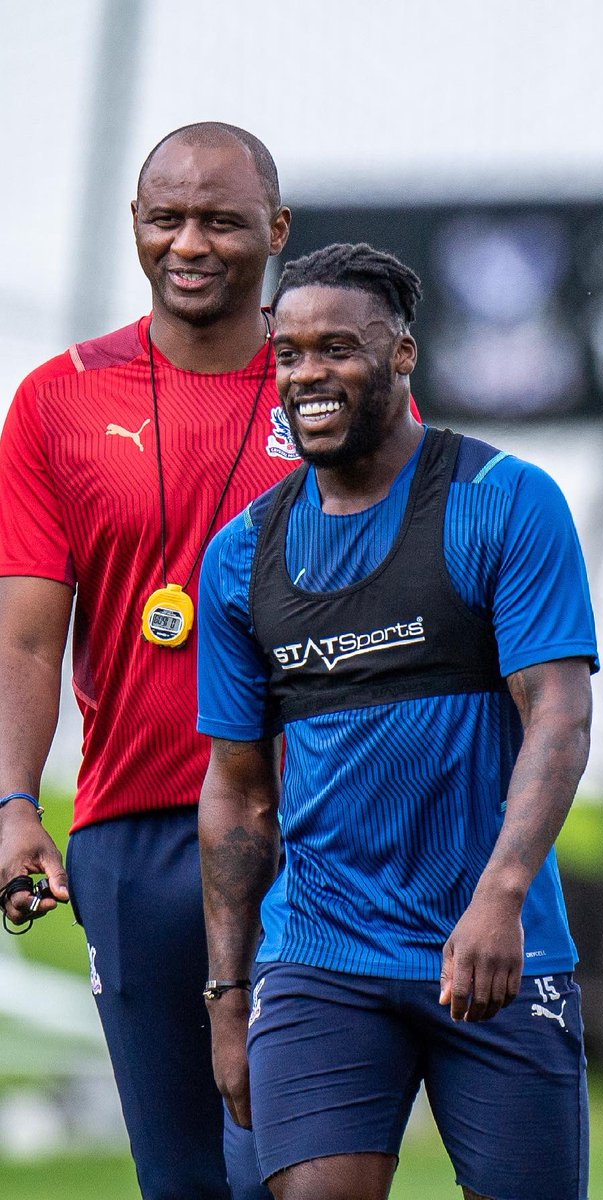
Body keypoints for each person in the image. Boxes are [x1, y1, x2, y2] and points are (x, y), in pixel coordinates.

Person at [196, 242, 598, 1200]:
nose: (307, 375)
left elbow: (559, 717)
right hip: (320, 956)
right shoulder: (241, 556)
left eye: (337, 348)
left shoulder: (503, 501)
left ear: (403, 353)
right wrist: (226, 993)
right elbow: (238, 793)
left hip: (494, 949)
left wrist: (499, 896)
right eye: (288, 354)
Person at [0, 122, 297, 1200]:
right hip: (134, 840)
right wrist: (12, 805)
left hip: (306, 827)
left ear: (275, 230)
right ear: (134, 224)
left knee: (294, 1166)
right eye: (166, 217)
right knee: (181, 1179)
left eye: (220, 219)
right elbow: (26, 635)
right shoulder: (57, 399)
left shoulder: (332, 384)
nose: (191, 243)